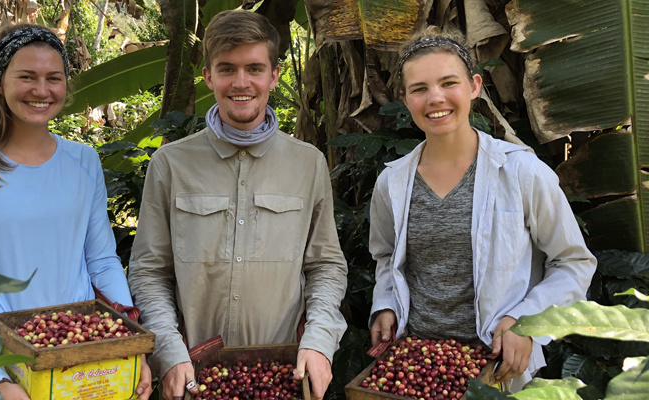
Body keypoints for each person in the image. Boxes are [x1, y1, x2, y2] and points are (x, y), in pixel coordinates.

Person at [127, 10, 348, 400]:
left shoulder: (308, 162)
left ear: (274, 75)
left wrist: (318, 341)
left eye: (254, 68)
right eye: (227, 69)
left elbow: (325, 265)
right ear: (209, 76)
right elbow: (149, 271)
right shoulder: (171, 163)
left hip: (282, 377)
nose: (241, 83)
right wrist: (168, 351)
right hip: (191, 376)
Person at [0, 24, 152, 400]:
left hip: (84, 354)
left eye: (54, 78)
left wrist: (129, 348)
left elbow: (101, 261)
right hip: (3, 361)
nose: (41, 90)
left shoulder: (83, 160)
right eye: (26, 77)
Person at [367, 27, 597, 392]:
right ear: (405, 98)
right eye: (420, 88)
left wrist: (525, 322)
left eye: (448, 82)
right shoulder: (391, 183)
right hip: (418, 365)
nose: (435, 98)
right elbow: (385, 258)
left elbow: (573, 263)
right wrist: (386, 306)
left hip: (497, 367)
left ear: (474, 86)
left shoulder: (522, 171)